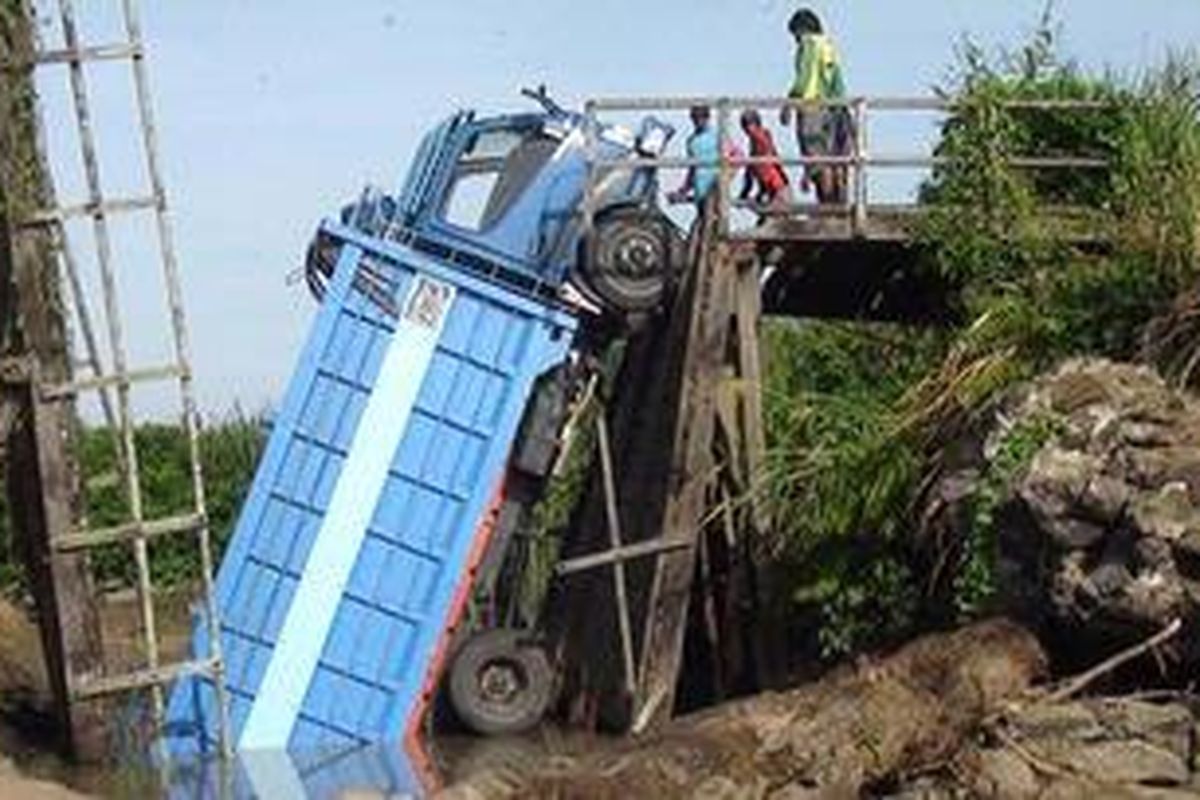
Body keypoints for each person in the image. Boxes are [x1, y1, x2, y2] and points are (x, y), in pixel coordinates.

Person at [779, 8, 850, 204]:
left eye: (795, 34)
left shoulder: (808, 43)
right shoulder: (828, 45)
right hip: (834, 108)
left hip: (812, 108)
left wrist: (788, 104)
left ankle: (826, 206)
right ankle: (838, 207)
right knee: (834, 159)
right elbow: (838, 82)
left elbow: (804, 79)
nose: (795, 40)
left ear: (802, 29)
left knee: (818, 161)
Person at [738, 109, 792, 211]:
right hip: (772, 191)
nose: (747, 129)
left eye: (749, 124)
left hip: (779, 190)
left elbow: (767, 158)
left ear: (756, 123)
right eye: (745, 125)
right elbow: (752, 176)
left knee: (773, 218)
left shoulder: (762, 138)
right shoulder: (754, 146)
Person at [668, 105, 721, 209]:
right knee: (703, 215)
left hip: (716, 189)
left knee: (711, 215)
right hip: (700, 190)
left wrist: (723, 179)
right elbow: (692, 170)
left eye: (702, 117)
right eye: (696, 118)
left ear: (707, 118)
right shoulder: (691, 141)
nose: (698, 121)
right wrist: (683, 190)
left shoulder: (718, 136)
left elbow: (736, 156)